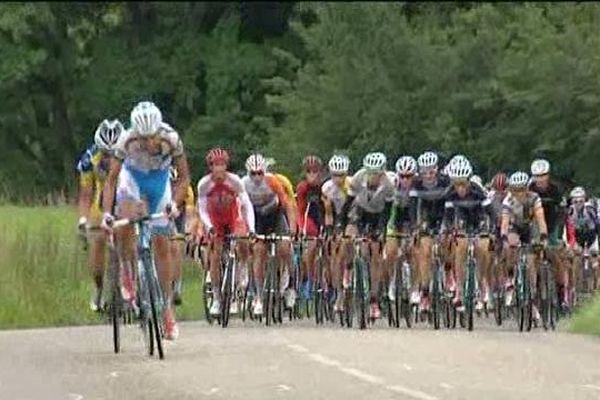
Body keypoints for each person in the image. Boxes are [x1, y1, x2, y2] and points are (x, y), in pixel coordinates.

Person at [102, 101, 190, 340]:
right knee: (128, 217)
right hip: (132, 179)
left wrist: (175, 205)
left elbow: (184, 179)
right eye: (142, 138)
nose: (146, 143)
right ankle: (128, 269)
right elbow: (111, 181)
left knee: (163, 245)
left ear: (158, 131)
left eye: (150, 137)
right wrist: (107, 214)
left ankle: (167, 309)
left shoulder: (171, 138)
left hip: (159, 182)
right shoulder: (126, 140)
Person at [196, 148, 255, 317]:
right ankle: (216, 297)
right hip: (215, 221)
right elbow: (202, 210)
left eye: (222, 165)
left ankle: (242, 269)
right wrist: (209, 227)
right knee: (215, 255)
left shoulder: (235, 181)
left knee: (242, 241)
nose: (220, 168)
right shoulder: (204, 184)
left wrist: (251, 229)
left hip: (232, 217)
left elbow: (246, 205)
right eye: (216, 165)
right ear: (210, 167)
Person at [76, 119, 124, 311]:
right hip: (100, 204)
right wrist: (83, 219)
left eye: (114, 153)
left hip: (124, 202)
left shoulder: (131, 156)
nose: (109, 157)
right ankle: (98, 287)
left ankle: (133, 288)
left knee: (131, 245)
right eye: (106, 153)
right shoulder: (89, 158)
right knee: (97, 247)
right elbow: (86, 193)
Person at [339, 152, 394, 319]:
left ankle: (374, 300)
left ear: (383, 172)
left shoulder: (389, 185)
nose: (373, 177)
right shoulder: (357, 178)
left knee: (375, 256)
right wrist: (341, 225)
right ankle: (348, 267)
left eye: (377, 173)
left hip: (378, 215)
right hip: (359, 211)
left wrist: (381, 231)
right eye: (370, 172)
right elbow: (347, 204)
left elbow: (388, 211)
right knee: (349, 237)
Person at [243, 153, 297, 313]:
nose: (257, 177)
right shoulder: (243, 184)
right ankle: (259, 296)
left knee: (285, 248)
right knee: (258, 252)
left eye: (260, 173)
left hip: (275, 215)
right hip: (257, 218)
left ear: (264, 172)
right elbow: (240, 209)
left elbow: (287, 204)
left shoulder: (272, 181)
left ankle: (291, 286)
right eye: (253, 173)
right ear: (248, 173)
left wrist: (293, 227)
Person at [441, 159, 494, 312]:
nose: (460, 188)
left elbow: (491, 213)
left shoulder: (479, 191)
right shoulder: (450, 193)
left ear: (469, 181)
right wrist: (448, 230)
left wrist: (495, 230)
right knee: (460, 247)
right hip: (462, 220)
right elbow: (448, 216)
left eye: (463, 184)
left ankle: (482, 283)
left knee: (483, 248)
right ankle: (458, 289)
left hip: (479, 219)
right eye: (457, 184)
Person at [500, 171, 548, 322]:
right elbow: (505, 222)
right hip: (515, 227)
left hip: (530, 227)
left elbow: (540, 219)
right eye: (515, 190)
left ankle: (533, 299)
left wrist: (544, 236)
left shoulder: (534, 198)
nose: (518, 193)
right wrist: (504, 237)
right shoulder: (508, 200)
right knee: (510, 245)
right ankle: (510, 276)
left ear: (527, 189)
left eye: (521, 189)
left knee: (531, 260)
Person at [409, 151, 450, 312]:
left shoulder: (445, 181)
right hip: (427, 216)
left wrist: (447, 226)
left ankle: (448, 270)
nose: (428, 175)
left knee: (448, 242)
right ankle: (425, 292)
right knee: (424, 251)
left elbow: (452, 204)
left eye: (431, 171)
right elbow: (413, 208)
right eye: (424, 171)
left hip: (444, 213)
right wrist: (416, 226)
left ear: (437, 169)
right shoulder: (416, 184)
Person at [529, 159, 569, 310]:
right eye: (537, 176)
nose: (540, 179)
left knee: (556, 255)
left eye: (543, 176)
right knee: (532, 255)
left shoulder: (556, 190)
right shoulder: (530, 189)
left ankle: (560, 293)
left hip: (553, 225)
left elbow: (563, 212)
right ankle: (533, 289)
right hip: (535, 226)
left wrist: (559, 235)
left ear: (548, 175)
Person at [384, 156, 418, 303]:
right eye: (402, 176)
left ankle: (414, 287)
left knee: (413, 252)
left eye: (408, 176)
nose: (405, 180)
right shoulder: (392, 185)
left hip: (412, 219)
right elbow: (389, 212)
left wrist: (416, 229)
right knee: (391, 252)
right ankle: (392, 281)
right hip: (395, 219)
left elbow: (420, 211)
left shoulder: (419, 186)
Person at [322, 154, 352, 312]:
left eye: (341, 175)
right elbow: (328, 212)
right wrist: (329, 231)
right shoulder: (327, 188)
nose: (338, 179)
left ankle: (349, 268)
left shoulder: (352, 185)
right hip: (336, 217)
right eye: (335, 175)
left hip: (351, 216)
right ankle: (339, 292)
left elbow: (357, 209)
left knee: (348, 240)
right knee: (333, 251)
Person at [296, 155, 326, 300]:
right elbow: (300, 211)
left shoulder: (325, 186)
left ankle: (329, 283)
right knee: (311, 245)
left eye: (315, 171)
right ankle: (308, 280)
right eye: (309, 172)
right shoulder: (302, 187)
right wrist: (301, 228)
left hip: (324, 216)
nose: (312, 175)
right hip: (309, 217)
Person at [168, 166, 196, 306]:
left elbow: (190, 216)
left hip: (179, 217)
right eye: (171, 183)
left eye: (176, 183)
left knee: (178, 247)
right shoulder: (161, 189)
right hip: (162, 216)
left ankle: (177, 287)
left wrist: (188, 233)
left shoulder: (187, 191)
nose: (174, 186)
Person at [565, 186, 599, 294]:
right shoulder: (569, 212)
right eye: (575, 200)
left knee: (595, 261)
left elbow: (598, 226)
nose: (578, 203)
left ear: (584, 200)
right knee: (576, 259)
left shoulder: (590, 210)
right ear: (572, 201)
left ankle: (597, 287)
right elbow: (567, 230)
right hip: (577, 237)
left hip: (592, 236)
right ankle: (575, 287)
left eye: (581, 200)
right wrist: (571, 244)